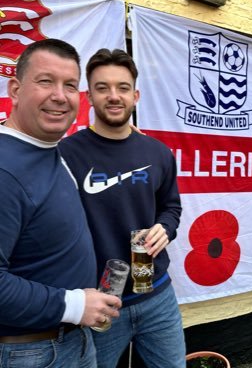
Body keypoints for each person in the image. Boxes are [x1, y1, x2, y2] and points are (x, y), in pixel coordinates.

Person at [59, 48, 186, 368]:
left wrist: (165, 228)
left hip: (157, 295)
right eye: (103, 88)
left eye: (123, 87)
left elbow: (171, 207)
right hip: (100, 303)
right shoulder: (64, 154)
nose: (113, 96)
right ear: (89, 95)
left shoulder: (158, 152)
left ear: (136, 95)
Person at [0, 39, 122, 368]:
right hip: (28, 353)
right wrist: (73, 305)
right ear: (14, 89)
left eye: (69, 85)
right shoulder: (4, 168)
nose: (59, 96)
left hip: (70, 341)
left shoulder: (48, 148)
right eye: (45, 81)